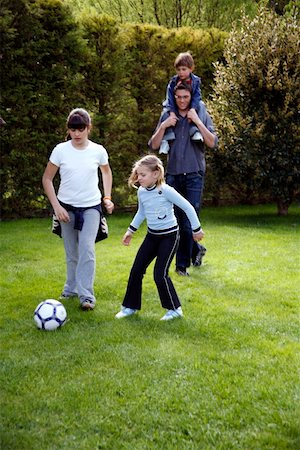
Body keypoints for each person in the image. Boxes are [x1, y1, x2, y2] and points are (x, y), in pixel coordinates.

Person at [115, 154, 204, 321]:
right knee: (136, 270)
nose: (139, 178)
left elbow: (188, 207)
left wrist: (196, 229)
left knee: (160, 274)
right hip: (152, 236)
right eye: (138, 175)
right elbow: (141, 212)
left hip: (169, 237)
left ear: (155, 174)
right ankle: (130, 307)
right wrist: (130, 231)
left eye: (143, 175)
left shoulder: (166, 191)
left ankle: (175, 309)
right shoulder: (142, 191)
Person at [42, 108, 114, 310]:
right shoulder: (60, 150)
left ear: (88, 128)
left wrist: (107, 197)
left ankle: (87, 296)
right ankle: (71, 287)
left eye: (81, 129)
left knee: (87, 249)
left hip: (91, 207)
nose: (77, 134)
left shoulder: (98, 150)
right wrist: (57, 207)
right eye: (73, 129)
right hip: (65, 207)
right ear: (69, 129)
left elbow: (106, 173)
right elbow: (47, 179)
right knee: (71, 252)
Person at [149, 82, 218, 276]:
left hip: (194, 174)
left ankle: (181, 267)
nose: (181, 101)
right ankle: (197, 250)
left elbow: (212, 142)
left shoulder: (199, 111)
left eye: (185, 97)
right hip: (172, 175)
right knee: (177, 223)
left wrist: (197, 121)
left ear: (191, 97)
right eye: (178, 97)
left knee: (188, 222)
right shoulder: (168, 114)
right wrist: (164, 125)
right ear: (174, 97)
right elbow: (154, 144)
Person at [159, 51, 202, 154]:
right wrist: (172, 111)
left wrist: (193, 108)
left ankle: (195, 131)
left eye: (184, 69)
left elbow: (197, 96)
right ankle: (166, 139)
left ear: (191, 69)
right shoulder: (173, 82)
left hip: (190, 105)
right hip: (175, 104)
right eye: (178, 70)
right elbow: (169, 98)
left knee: (198, 110)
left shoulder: (195, 81)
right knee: (166, 113)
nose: (181, 72)